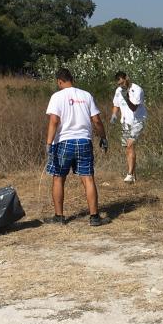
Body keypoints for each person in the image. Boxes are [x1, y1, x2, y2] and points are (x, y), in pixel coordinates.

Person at [44, 68, 109, 226]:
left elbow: (54, 121)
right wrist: (103, 137)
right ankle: (94, 217)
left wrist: (49, 143)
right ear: (71, 79)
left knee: (59, 178)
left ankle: (59, 217)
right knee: (88, 178)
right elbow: (97, 121)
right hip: (84, 141)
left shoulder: (57, 96)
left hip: (64, 142)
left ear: (59, 81)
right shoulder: (86, 95)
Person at [110, 71, 146, 183]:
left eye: (123, 82)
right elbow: (116, 105)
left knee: (130, 144)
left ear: (127, 78)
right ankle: (133, 175)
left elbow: (134, 108)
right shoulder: (118, 91)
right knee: (128, 148)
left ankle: (129, 174)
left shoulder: (137, 89)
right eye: (119, 84)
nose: (121, 85)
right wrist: (114, 116)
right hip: (125, 122)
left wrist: (126, 98)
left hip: (138, 120)